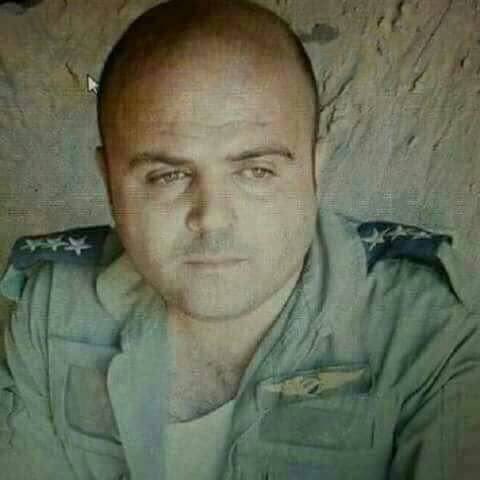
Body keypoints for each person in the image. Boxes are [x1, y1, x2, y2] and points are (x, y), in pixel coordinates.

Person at [0, 0, 479, 479]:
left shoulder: (423, 331)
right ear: (108, 181)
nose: (212, 218)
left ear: (315, 171)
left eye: (256, 171)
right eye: (168, 175)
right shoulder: (52, 310)